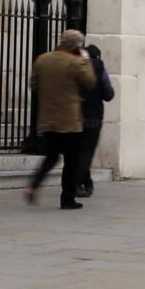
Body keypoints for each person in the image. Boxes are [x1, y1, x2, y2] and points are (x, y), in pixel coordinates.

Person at [24, 30, 98, 208]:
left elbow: (33, 85)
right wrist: (86, 59)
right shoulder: (76, 62)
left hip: (48, 117)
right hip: (70, 120)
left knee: (51, 156)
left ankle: (34, 185)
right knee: (72, 160)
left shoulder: (43, 59)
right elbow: (90, 82)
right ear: (77, 46)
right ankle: (67, 198)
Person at [74, 41, 116, 198]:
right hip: (93, 115)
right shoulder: (99, 68)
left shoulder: (74, 66)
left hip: (75, 114)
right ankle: (78, 183)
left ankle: (86, 182)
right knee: (86, 152)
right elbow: (109, 94)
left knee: (77, 152)